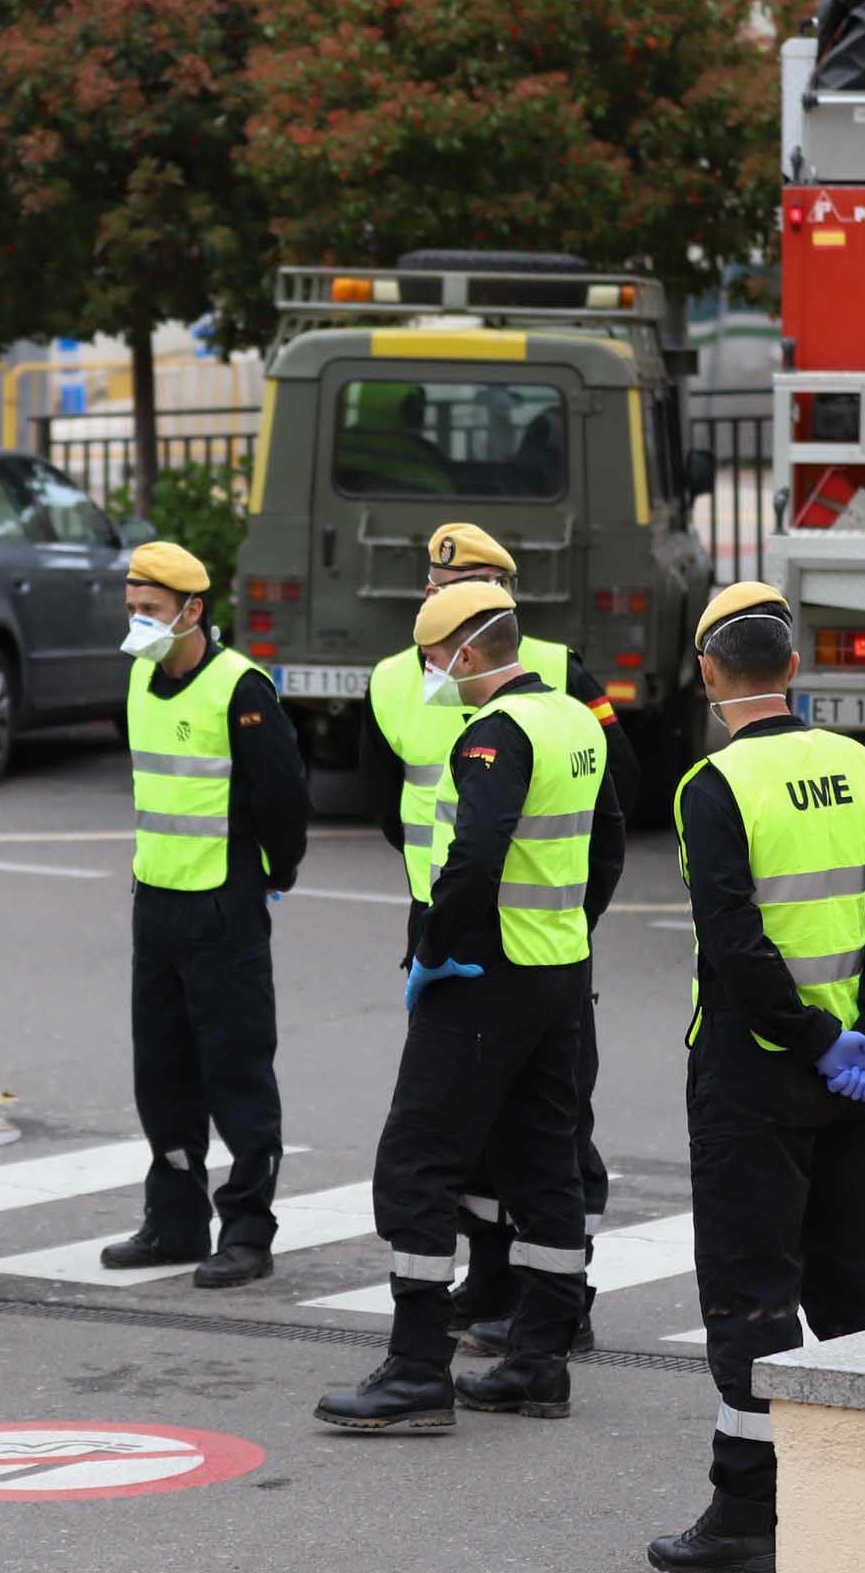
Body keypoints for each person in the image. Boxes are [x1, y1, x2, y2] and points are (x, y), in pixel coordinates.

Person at [648, 582, 865, 1573]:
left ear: (711, 674)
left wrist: (811, 1034)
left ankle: (746, 1510)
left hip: (755, 1068)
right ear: (796, 670)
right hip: (854, 1076)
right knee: (851, 1272)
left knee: (751, 1287)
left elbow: (733, 940)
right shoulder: (863, 765)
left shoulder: (712, 785)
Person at [317, 580, 625, 1433]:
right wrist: (571, 926)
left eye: (432, 658)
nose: (429, 673)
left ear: (465, 652)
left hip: (485, 977)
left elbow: (474, 854)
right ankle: (538, 1361)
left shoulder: (495, 735)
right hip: (557, 968)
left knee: (418, 1160)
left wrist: (437, 950)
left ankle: (417, 1370)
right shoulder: (569, 718)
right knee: (543, 1164)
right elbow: (608, 842)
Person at [98, 541, 309, 1289]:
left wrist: (269, 876)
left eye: (149, 611)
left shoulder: (239, 688)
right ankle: (175, 1219)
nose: (137, 624)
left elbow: (282, 797)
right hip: (155, 902)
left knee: (237, 1074)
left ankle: (248, 1230)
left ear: (192, 611)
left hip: (223, 908)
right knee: (162, 1073)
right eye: (131, 610)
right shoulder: (138, 679)